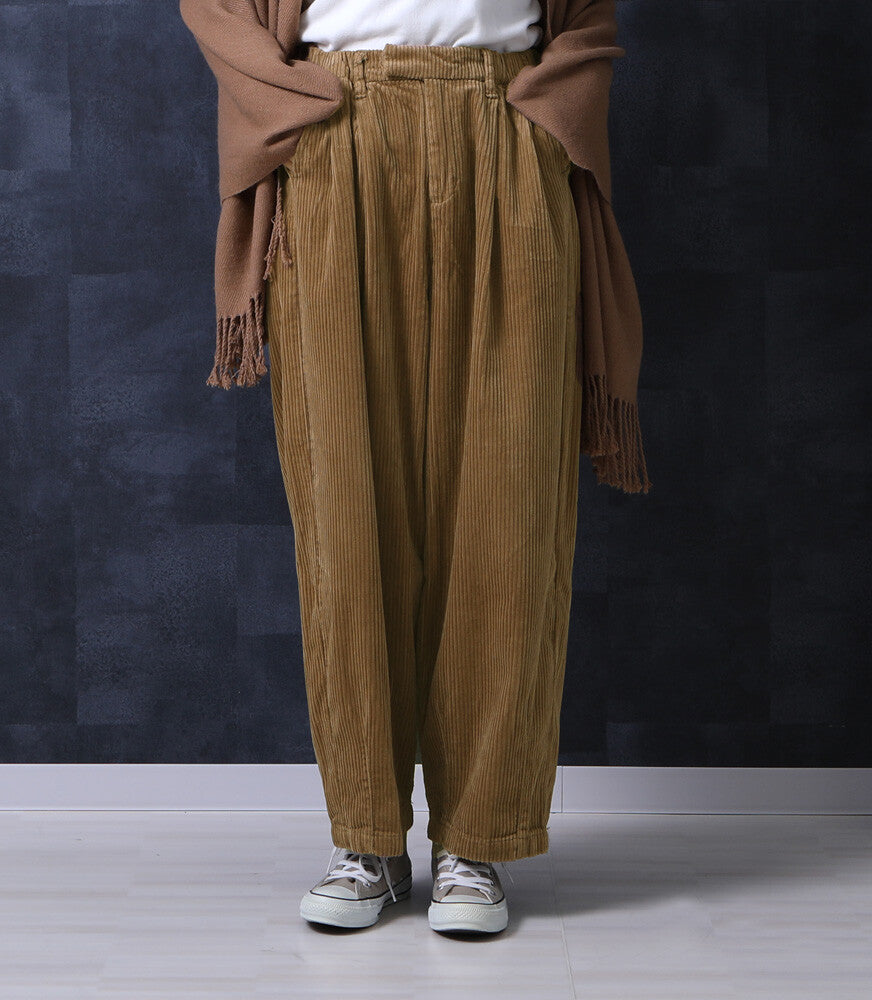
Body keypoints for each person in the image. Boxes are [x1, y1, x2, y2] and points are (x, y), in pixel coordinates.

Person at [180, 0, 646, 937]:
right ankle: (368, 841)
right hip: (336, 138)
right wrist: (298, 102)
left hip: (504, 128)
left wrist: (544, 121)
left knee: (510, 512)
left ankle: (478, 841)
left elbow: (588, 17)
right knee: (346, 515)